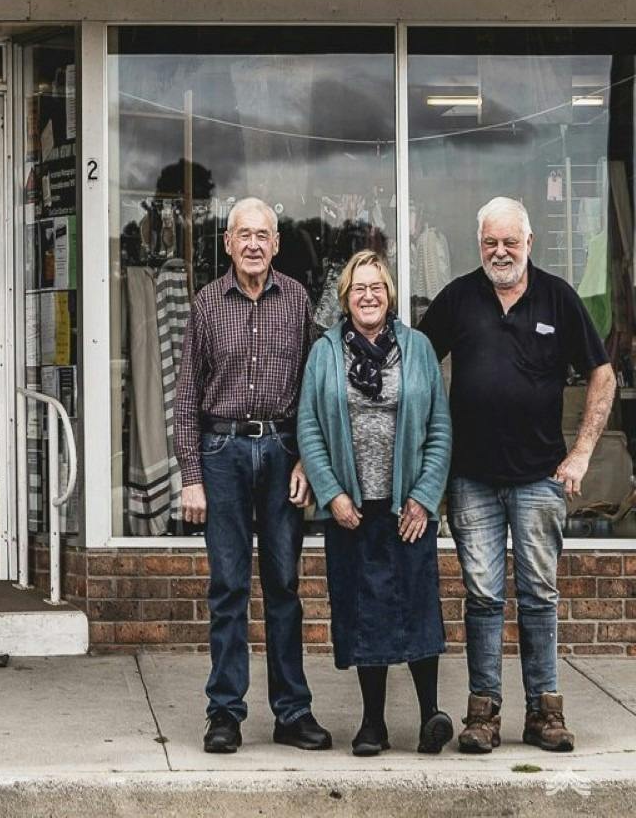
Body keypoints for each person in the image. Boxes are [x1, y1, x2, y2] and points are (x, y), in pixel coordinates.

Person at [420, 197, 615, 754]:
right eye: (490, 242)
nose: (500, 251)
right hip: (472, 480)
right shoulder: (458, 298)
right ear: (479, 244)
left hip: (538, 478)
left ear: (530, 243)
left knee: (538, 596)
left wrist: (580, 454)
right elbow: (414, 364)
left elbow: (602, 375)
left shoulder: (558, 296)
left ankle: (545, 713)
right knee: (482, 596)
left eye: (510, 241)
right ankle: (482, 715)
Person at [175, 197, 331, 754]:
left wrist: (308, 461)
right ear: (227, 242)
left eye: (263, 234)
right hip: (223, 454)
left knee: (285, 586)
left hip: (283, 452)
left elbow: (314, 393)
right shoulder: (205, 304)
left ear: (277, 243)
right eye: (244, 234)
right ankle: (225, 713)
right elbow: (187, 395)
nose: (254, 244)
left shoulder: (297, 301)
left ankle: (292, 712)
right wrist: (191, 475)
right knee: (228, 588)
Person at [297, 250, 453, 756]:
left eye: (377, 288)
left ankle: (431, 714)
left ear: (389, 296)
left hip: (406, 506)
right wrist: (333, 493)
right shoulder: (324, 352)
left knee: (417, 604)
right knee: (364, 612)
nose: (368, 296)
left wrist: (424, 498)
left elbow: (439, 429)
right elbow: (309, 427)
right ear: (345, 298)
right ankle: (373, 725)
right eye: (359, 288)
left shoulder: (419, 348)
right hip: (352, 509)